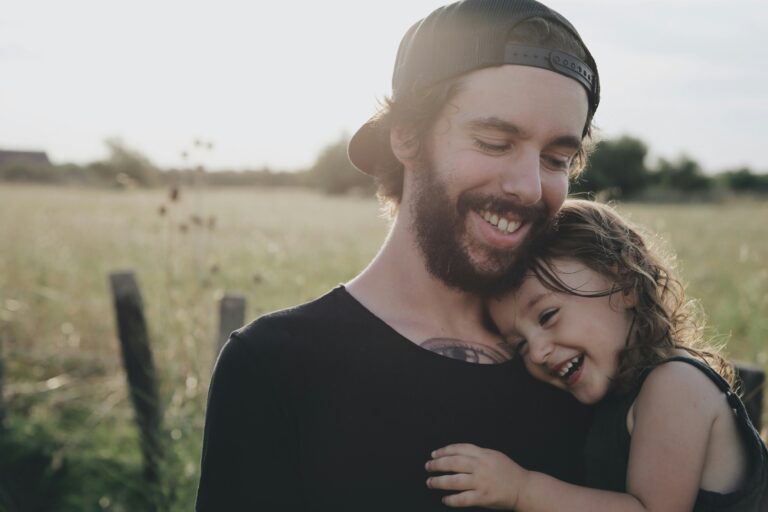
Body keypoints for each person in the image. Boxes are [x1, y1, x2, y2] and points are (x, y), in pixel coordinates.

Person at [196, 1, 602, 509]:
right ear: (407, 137)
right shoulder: (275, 366)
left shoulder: (581, 360)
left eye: (556, 159)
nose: (528, 186)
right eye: (496, 142)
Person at [426, 200, 768, 511]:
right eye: (521, 346)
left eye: (548, 316)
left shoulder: (675, 384)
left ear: (625, 282)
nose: (539, 352)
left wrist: (522, 490)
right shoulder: (619, 396)